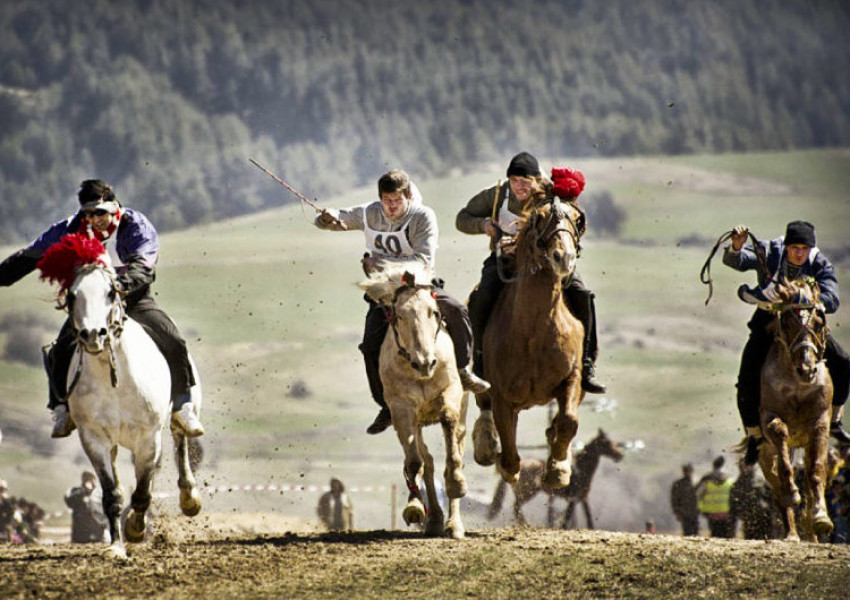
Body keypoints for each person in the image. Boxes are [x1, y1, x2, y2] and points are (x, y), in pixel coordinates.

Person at [0, 179, 204, 439]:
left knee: (172, 338)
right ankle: (61, 409)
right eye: (88, 213)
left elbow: (144, 267)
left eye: (100, 213)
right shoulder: (71, 227)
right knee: (60, 350)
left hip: (134, 299)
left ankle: (183, 405)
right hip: (93, 305)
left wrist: (115, 286)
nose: (94, 219)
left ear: (114, 207)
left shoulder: (136, 226)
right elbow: (30, 255)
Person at [314, 169, 490, 434]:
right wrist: (328, 217)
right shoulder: (370, 212)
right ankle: (385, 405)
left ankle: (463, 370)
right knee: (370, 345)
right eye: (386, 200)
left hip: (419, 286)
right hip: (385, 293)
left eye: (397, 200)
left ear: (408, 196)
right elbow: (333, 220)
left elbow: (423, 261)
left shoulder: (422, 217)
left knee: (456, 310)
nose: (391, 206)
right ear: (380, 198)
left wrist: (379, 263)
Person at [455, 152, 606, 394]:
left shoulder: (551, 194)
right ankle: (480, 361)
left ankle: (586, 364)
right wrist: (482, 226)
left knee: (583, 295)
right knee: (481, 297)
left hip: (546, 264)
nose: (519, 187)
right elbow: (462, 218)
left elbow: (575, 219)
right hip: (503, 260)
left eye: (525, 182)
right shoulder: (496, 194)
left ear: (537, 180)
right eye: (515, 181)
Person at [724, 221, 850, 463]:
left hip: (805, 323)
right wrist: (736, 248)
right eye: (794, 247)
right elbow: (738, 262)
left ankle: (834, 420)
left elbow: (832, 298)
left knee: (843, 361)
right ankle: (754, 435)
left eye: (804, 248)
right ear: (787, 246)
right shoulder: (769, 252)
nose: (799, 253)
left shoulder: (819, 263)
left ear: (810, 249)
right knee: (746, 374)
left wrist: (807, 299)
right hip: (768, 320)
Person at [728, 459, 776, 540]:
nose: (745, 468)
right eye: (743, 466)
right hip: (749, 522)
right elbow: (733, 507)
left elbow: (772, 500)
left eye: (747, 465)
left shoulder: (762, 482)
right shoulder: (737, 484)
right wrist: (732, 531)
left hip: (765, 520)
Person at [64, 471, 108, 543]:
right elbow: (68, 500)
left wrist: (104, 525)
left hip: (98, 534)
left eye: (92, 482)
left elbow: (107, 511)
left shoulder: (100, 494)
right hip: (80, 535)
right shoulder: (76, 492)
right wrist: (82, 492)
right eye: (87, 481)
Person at [696, 456, 734, 538]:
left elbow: (698, 493)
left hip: (711, 512)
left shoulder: (707, 478)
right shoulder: (729, 478)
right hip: (726, 511)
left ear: (713, 466)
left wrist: (699, 508)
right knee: (726, 535)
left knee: (715, 534)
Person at [670, 463, 700, 536]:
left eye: (690, 470)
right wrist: (677, 512)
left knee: (696, 533)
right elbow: (674, 499)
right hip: (684, 513)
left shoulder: (696, 482)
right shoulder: (678, 484)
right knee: (687, 533)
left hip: (695, 512)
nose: (688, 472)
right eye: (687, 471)